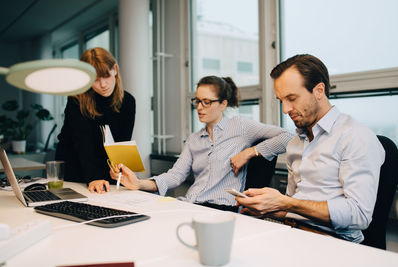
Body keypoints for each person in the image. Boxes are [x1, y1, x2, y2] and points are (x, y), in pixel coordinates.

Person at [236, 54, 385, 242]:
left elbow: (359, 214)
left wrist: (285, 202)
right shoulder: (295, 144)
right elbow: (295, 207)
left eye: (292, 98)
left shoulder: (355, 136)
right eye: (281, 100)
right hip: (292, 232)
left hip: (334, 242)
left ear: (319, 90)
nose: (285, 109)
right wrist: (268, 208)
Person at [110, 76, 294, 211]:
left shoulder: (240, 126)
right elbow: (175, 176)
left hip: (221, 208)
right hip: (191, 204)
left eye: (206, 102)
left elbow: (288, 137)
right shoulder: (194, 139)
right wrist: (138, 183)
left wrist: (249, 152)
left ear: (223, 104)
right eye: (197, 101)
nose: (199, 107)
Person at [55, 47, 136, 194]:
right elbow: (83, 143)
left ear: (115, 69)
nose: (103, 85)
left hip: (106, 174)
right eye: (95, 80)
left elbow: (121, 145)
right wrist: (93, 177)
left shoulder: (128, 101)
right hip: (76, 169)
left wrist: (119, 172)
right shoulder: (77, 100)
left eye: (106, 76)